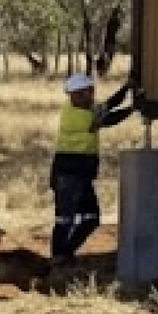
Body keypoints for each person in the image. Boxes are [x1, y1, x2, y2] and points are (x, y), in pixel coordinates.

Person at [51, 70, 136, 277]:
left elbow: (108, 105)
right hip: (69, 174)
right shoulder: (77, 115)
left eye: (91, 91)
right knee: (65, 219)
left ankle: (66, 253)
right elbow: (108, 118)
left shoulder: (85, 108)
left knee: (91, 218)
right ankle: (58, 259)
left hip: (81, 174)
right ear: (74, 95)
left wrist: (127, 87)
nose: (90, 95)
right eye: (85, 93)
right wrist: (134, 108)